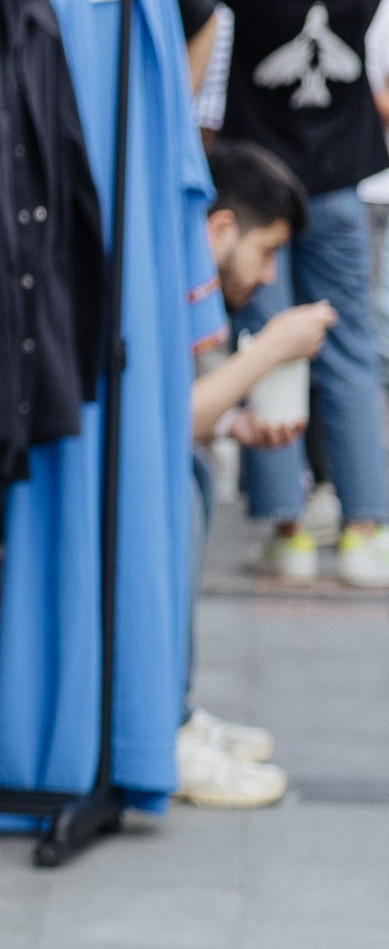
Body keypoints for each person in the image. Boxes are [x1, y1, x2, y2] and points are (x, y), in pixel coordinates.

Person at [168, 0, 389, 587]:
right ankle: (363, 531)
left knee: (265, 344)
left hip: (262, 194)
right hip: (335, 188)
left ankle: (290, 529)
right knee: (351, 347)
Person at [175, 140, 335, 808]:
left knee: (195, 474)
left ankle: (173, 711)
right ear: (220, 230)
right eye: (266, 251)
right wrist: (271, 349)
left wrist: (237, 422)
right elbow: (172, 418)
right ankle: (166, 727)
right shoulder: (173, 270)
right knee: (183, 479)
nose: (269, 275)